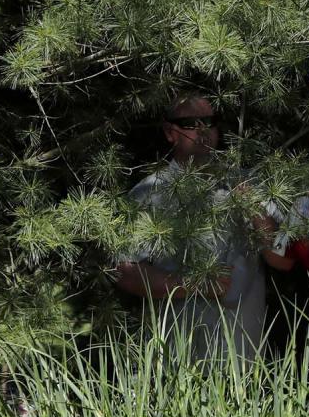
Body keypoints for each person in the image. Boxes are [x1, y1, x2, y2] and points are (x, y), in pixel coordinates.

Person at [115, 94, 294, 363]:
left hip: (239, 354)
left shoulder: (250, 185)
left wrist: (253, 209)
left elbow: (283, 261)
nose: (202, 130)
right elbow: (123, 271)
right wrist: (192, 285)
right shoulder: (149, 193)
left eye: (209, 122)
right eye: (190, 123)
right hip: (175, 354)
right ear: (169, 132)